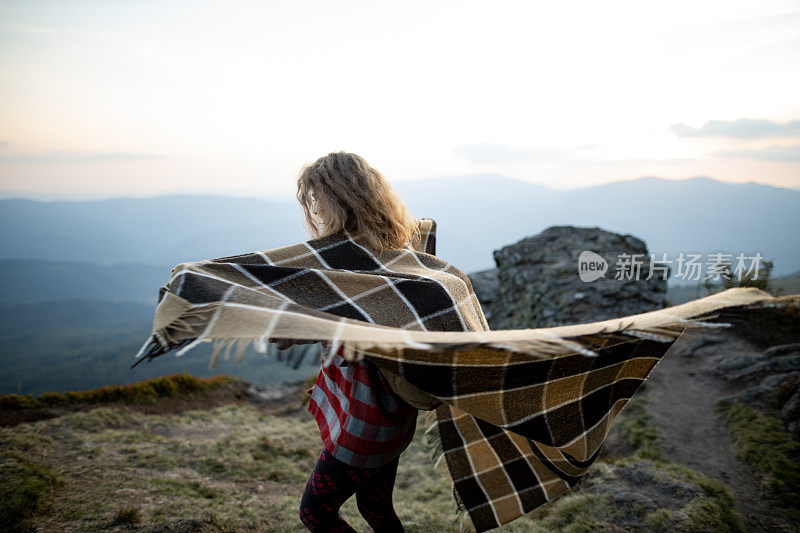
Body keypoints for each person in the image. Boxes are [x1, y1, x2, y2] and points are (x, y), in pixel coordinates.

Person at [292, 151, 446, 532]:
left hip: (365, 422)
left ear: (334, 202)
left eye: (316, 199)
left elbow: (355, 335)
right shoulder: (407, 253)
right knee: (376, 510)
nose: (314, 208)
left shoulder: (345, 268)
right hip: (394, 415)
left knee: (315, 512)